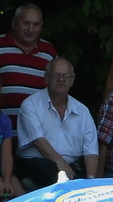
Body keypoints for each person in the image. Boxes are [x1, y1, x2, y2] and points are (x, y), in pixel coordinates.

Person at [15, 57, 99, 188]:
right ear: (46, 78)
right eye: (56, 75)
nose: (61, 79)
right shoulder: (30, 104)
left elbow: (91, 150)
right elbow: (38, 140)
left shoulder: (82, 110)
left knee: (84, 184)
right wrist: (60, 162)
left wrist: (91, 181)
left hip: (70, 166)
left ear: (72, 81)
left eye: (66, 76)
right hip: (36, 163)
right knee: (55, 176)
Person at [0, 4, 54, 127]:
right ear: (14, 23)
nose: (30, 29)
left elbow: (56, 92)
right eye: (26, 23)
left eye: (36, 25)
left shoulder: (49, 52)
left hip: (38, 135)